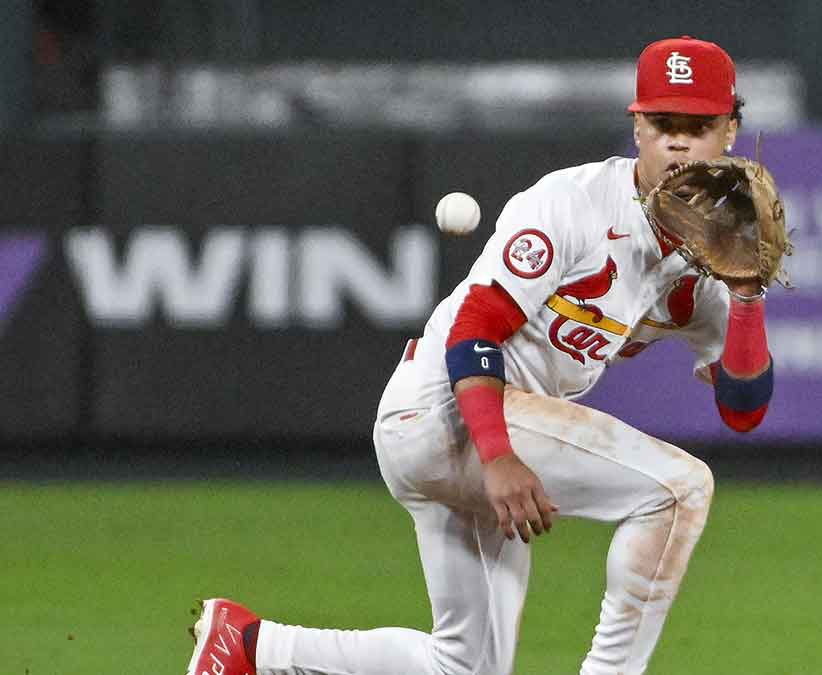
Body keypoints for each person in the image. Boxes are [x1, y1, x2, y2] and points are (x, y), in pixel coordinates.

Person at [185, 35, 776, 675]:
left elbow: (743, 407)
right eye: (663, 124)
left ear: (731, 132)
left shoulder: (712, 259)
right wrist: (497, 456)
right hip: (446, 410)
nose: (679, 143)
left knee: (463, 668)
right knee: (680, 490)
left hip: (483, 431)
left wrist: (746, 297)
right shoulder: (573, 204)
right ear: (636, 128)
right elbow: (475, 329)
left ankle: (248, 646)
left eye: (700, 126)